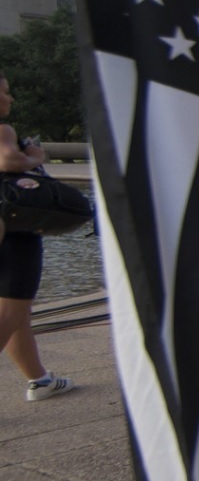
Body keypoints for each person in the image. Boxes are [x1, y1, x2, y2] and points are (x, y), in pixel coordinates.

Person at [0, 71, 74, 401]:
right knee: (12, 311)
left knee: (17, 310)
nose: (10, 98)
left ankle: (40, 380)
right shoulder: (3, 129)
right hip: (14, 228)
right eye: (5, 91)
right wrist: (34, 157)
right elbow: (9, 160)